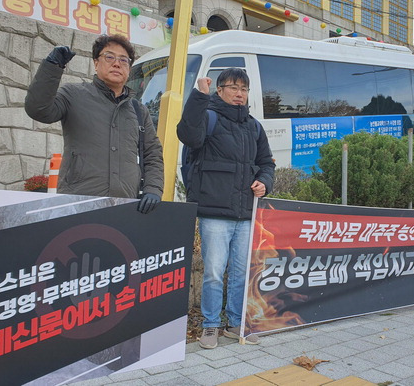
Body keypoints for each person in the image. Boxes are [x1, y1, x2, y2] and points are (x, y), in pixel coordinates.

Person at [177, 68, 275, 349]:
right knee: (213, 272)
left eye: (243, 89)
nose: (239, 93)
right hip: (214, 213)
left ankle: (235, 323)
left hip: (245, 213)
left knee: (241, 273)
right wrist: (198, 96)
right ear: (219, 91)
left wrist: (264, 182)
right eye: (233, 87)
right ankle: (210, 325)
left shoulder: (254, 126)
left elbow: (267, 163)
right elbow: (188, 134)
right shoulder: (208, 116)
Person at [25, 34, 163, 213]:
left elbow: (152, 154)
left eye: (124, 60)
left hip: (125, 205)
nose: (117, 63)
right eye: (109, 57)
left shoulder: (138, 109)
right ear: (96, 63)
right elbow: (38, 109)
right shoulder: (73, 95)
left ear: (129, 69)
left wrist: (153, 189)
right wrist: (52, 67)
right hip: (77, 204)